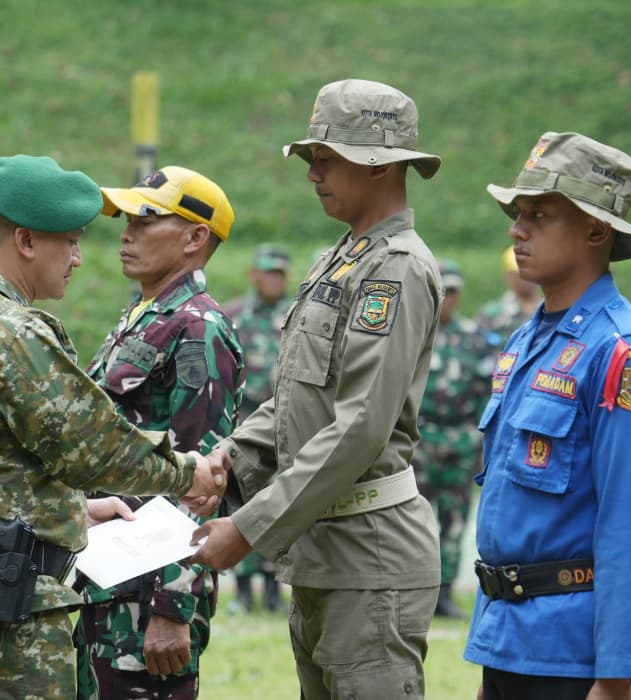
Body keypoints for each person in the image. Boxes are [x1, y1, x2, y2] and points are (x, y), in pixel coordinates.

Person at [0, 154, 223, 699]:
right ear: (25, 241)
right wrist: (189, 472)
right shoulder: (11, 333)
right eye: (69, 241)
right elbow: (94, 449)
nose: (78, 259)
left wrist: (69, 509)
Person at [190, 78, 444, 698]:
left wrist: (249, 527)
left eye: (325, 159)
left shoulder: (398, 270)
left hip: (370, 556)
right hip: (327, 549)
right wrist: (233, 454)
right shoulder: (343, 257)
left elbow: (359, 425)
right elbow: (302, 392)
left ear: (378, 165)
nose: (313, 174)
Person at [464, 132, 631, 700]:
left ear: (595, 230)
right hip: (510, 639)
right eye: (518, 213)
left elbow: (627, 517)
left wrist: (614, 672)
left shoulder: (624, 351)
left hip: (579, 659)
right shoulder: (529, 340)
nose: (518, 229)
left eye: (540, 214)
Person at [73, 166, 245, 699]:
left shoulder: (198, 328)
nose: (127, 234)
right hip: (106, 580)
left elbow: (201, 480)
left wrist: (172, 608)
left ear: (195, 237)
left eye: (147, 221)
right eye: (126, 220)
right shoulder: (145, 314)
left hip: (148, 600)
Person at [413, 259, 495, 619]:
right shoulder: (415, 331)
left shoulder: (474, 338)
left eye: (455, 292)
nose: (449, 299)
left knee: (455, 518)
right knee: (415, 518)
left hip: (460, 440)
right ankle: (416, 589)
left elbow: (485, 392)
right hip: (422, 437)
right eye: (443, 290)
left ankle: (444, 591)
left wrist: (478, 440)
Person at [222, 243, 292, 614]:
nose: (273, 279)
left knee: (278, 502)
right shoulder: (233, 315)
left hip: (284, 422)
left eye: (279, 273)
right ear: (254, 274)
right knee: (243, 501)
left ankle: (272, 588)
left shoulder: (295, 315)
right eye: (267, 272)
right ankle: (245, 589)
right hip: (245, 421)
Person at [477, 244, 542, 346]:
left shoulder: (551, 311)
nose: (525, 278)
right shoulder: (491, 314)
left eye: (531, 271)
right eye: (519, 273)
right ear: (507, 276)